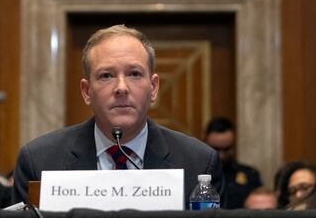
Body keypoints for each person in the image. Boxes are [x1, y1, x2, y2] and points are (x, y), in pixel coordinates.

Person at [13, 24, 222, 207]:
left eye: (134, 74)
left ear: (154, 87)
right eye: (106, 76)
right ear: (87, 92)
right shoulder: (39, 162)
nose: (121, 88)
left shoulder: (199, 163)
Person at [203, 117, 262, 208]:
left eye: (227, 149)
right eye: (216, 149)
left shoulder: (250, 175)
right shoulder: (196, 174)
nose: (221, 156)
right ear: (204, 144)